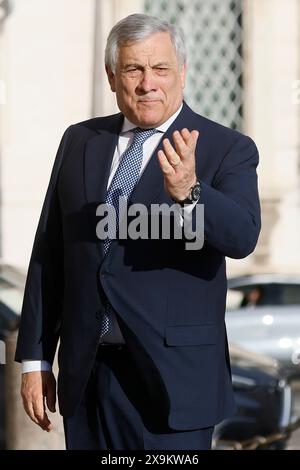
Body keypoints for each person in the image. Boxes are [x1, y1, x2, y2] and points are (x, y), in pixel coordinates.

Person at [15, 13, 261, 450]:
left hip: (173, 385)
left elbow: (242, 237)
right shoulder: (79, 141)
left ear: (182, 73)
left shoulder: (227, 148)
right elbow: (50, 253)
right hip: (87, 378)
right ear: (112, 76)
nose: (149, 83)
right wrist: (35, 358)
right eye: (134, 69)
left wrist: (191, 193)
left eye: (161, 68)